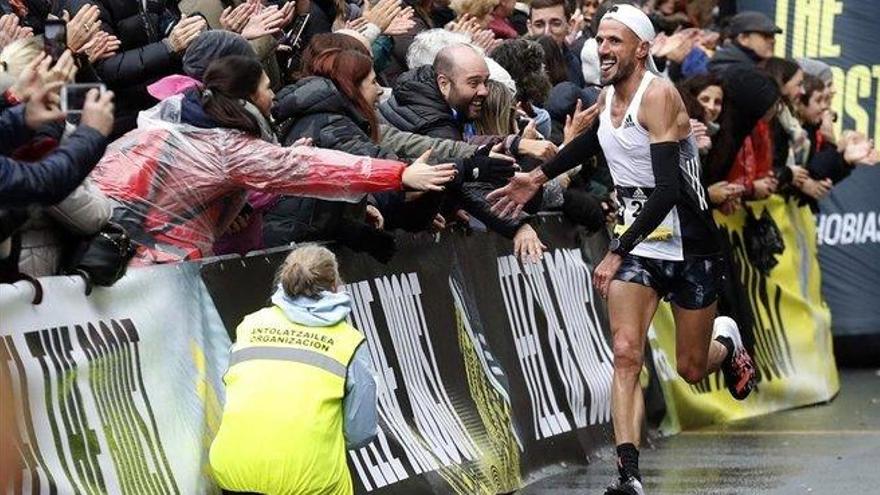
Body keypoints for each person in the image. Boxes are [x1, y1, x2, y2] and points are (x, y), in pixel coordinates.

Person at [487, 6, 756, 493]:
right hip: (641, 245)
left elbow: (668, 191)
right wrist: (535, 177)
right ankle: (628, 475)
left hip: (689, 243)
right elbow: (592, 141)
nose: (604, 49)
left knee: (692, 367)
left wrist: (615, 250)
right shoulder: (607, 95)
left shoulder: (660, 97)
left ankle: (727, 343)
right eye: (601, 40)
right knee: (626, 354)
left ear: (642, 50)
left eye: (616, 41)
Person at [89, 55, 456, 264]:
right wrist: (400, 174)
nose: (273, 95)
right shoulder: (227, 148)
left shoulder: (172, 124)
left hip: (118, 251)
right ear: (247, 98)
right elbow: (311, 170)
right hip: (148, 264)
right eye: (267, 87)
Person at [209, 244, 378, 495]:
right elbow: (360, 433)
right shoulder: (348, 342)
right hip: (308, 484)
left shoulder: (250, 325)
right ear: (335, 286)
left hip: (231, 472)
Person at [527, 0, 585, 86]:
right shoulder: (518, 67)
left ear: (569, 26)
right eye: (539, 25)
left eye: (555, 24)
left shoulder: (574, 62)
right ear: (530, 27)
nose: (547, 33)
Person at [708, 10, 780, 75]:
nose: (773, 41)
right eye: (766, 36)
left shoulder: (753, 62)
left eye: (772, 36)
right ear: (743, 39)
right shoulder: (728, 69)